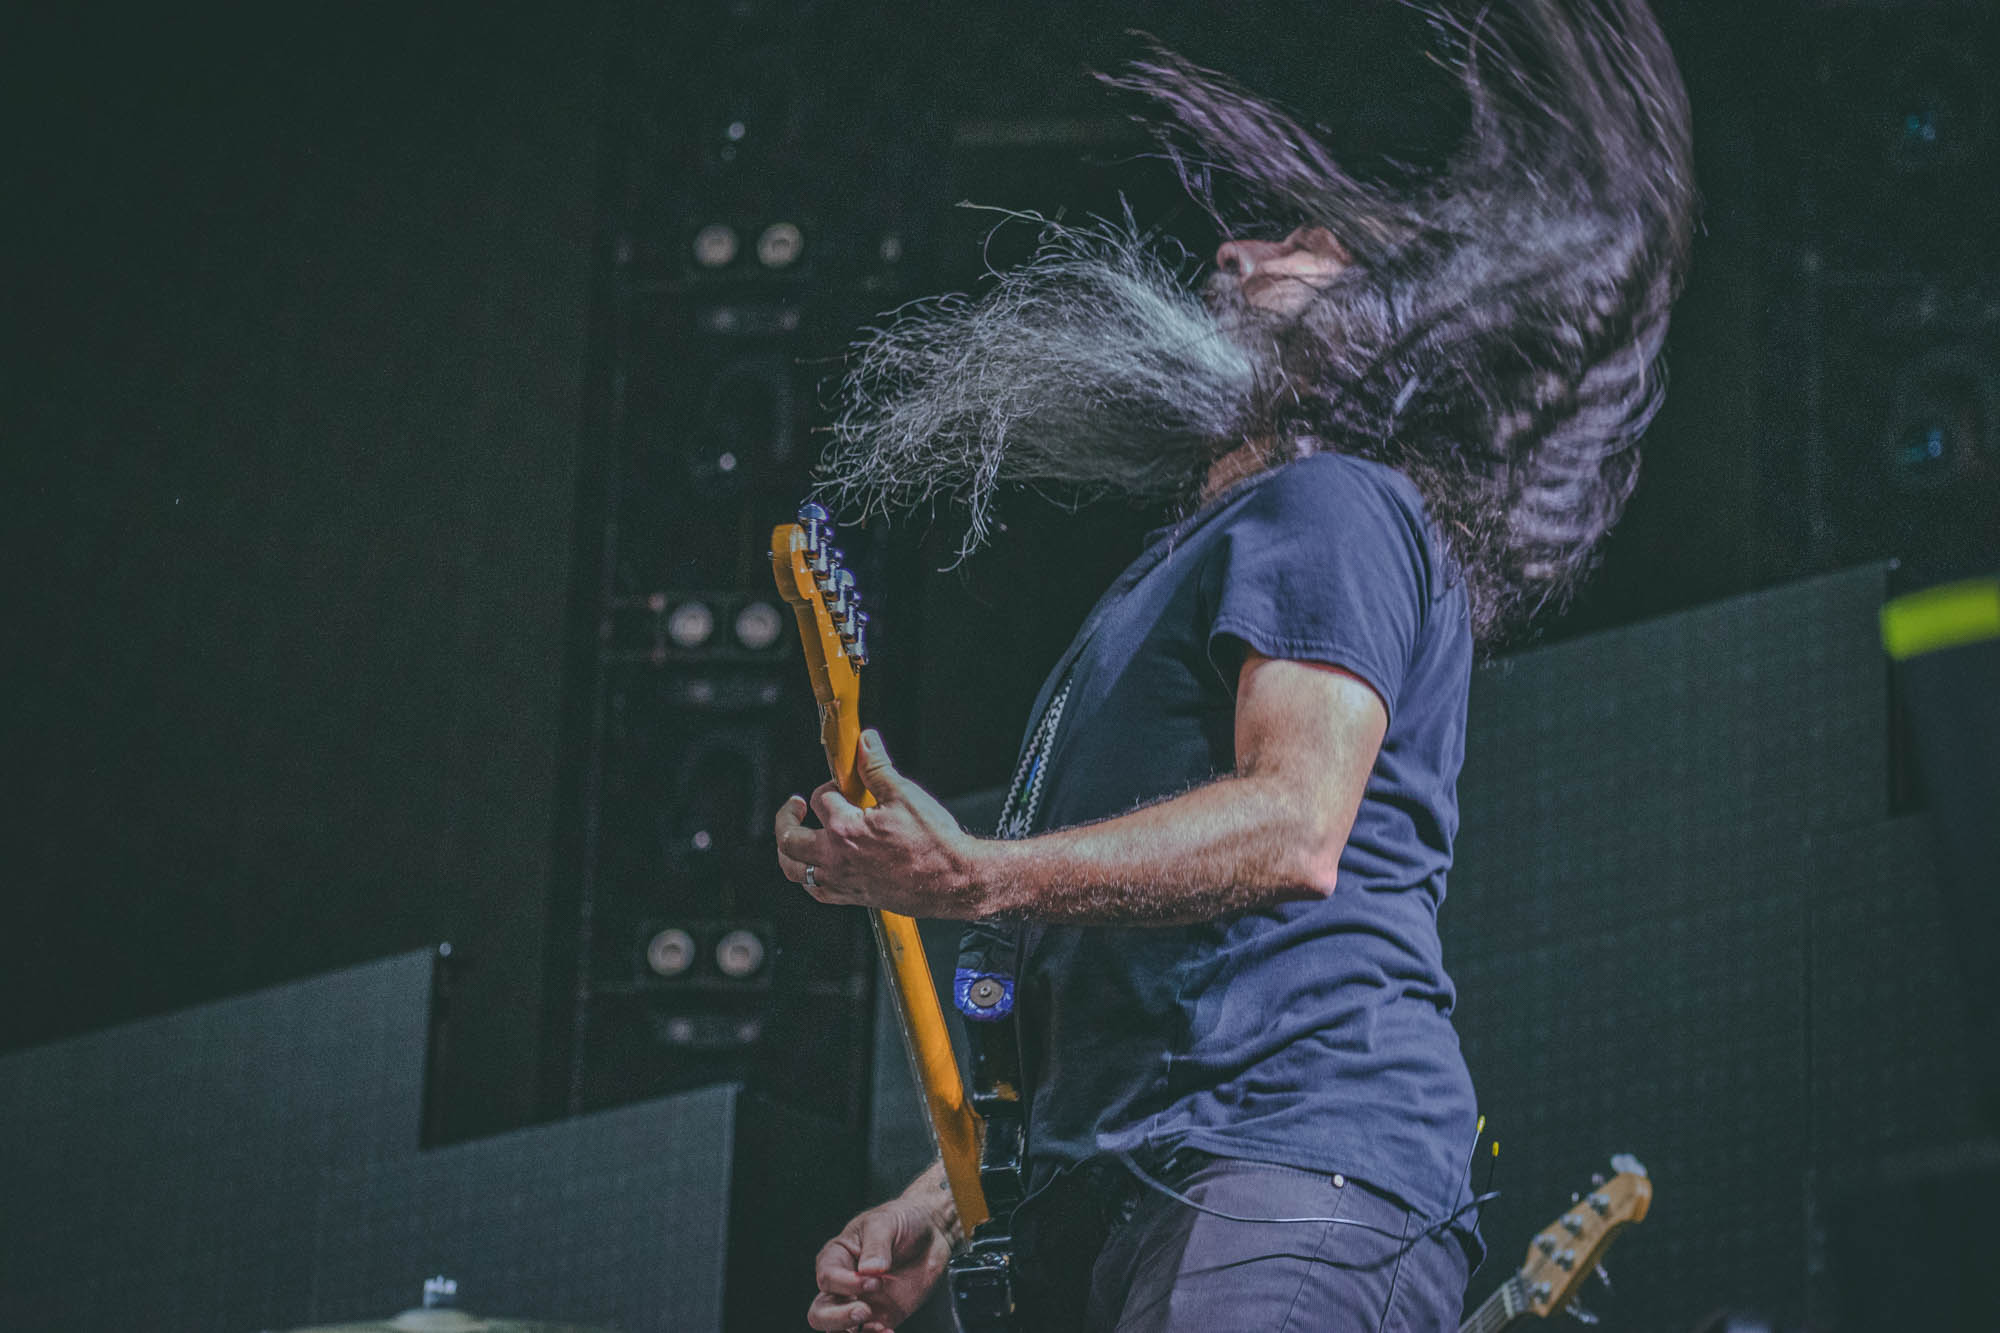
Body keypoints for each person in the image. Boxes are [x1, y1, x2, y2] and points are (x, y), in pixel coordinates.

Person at [773, 3, 1695, 1329]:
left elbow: (1296, 826)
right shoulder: (1197, 558)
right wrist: (942, 1199)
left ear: (1390, 329)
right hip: (1163, 1192)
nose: (1238, 251)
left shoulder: (1334, 500)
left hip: (1284, 1167)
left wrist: (976, 874)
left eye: (1306, 247)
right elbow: (1129, 980)